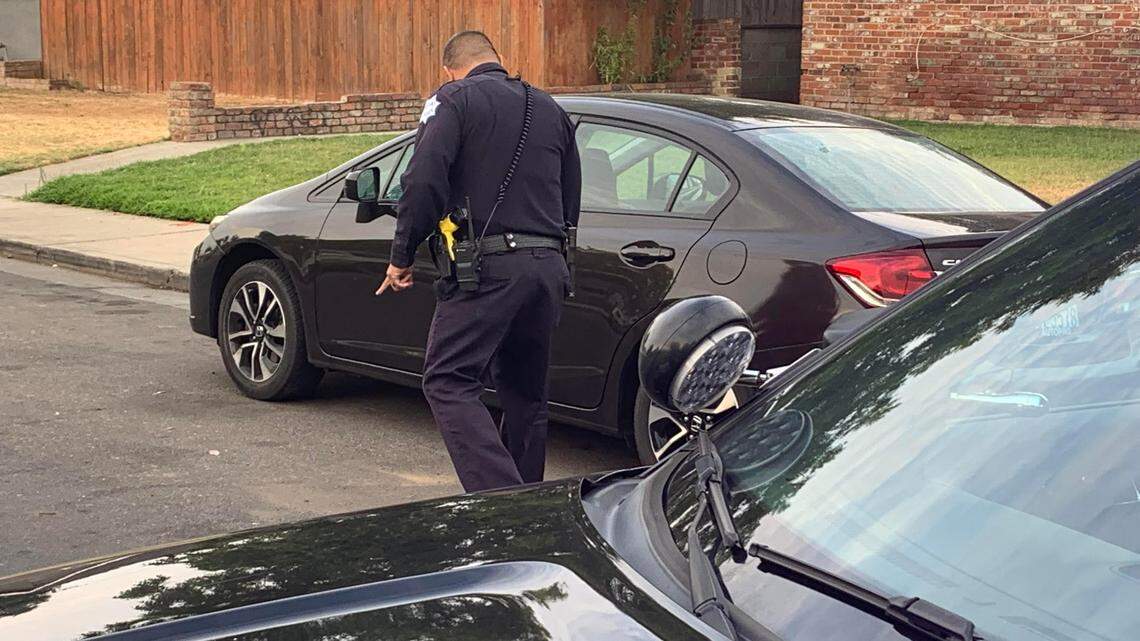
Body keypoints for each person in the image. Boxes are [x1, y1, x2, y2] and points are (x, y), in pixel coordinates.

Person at [376, 30, 581, 493]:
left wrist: (401, 256)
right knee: (526, 396)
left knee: (447, 379)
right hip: (547, 268)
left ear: (449, 69)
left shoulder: (451, 99)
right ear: (500, 59)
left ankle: (502, 501)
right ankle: (528, 503)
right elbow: (571, 197)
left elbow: (423, 181)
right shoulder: (550, 107)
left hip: (488, 269)